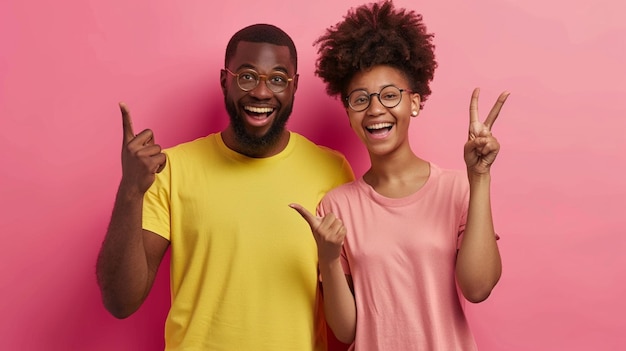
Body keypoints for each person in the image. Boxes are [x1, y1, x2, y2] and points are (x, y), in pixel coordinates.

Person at [96, 23, 354, 350]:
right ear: (225, 81)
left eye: (277, 79)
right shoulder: (172, 169)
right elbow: (120, 301)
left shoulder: (331, 170)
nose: (261, 92)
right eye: (247, 76)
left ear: (294, 86)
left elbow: (346, 320)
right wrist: (130, 190)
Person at [289, 1, 509, 350]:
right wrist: (329, 258)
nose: (376, 109)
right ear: (348, 113)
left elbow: (478, 288)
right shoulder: (336, 206)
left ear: (415, 102)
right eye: (360, 99)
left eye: (390, 95)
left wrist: (479, 178)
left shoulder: (457, 189)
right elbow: (346, 331)